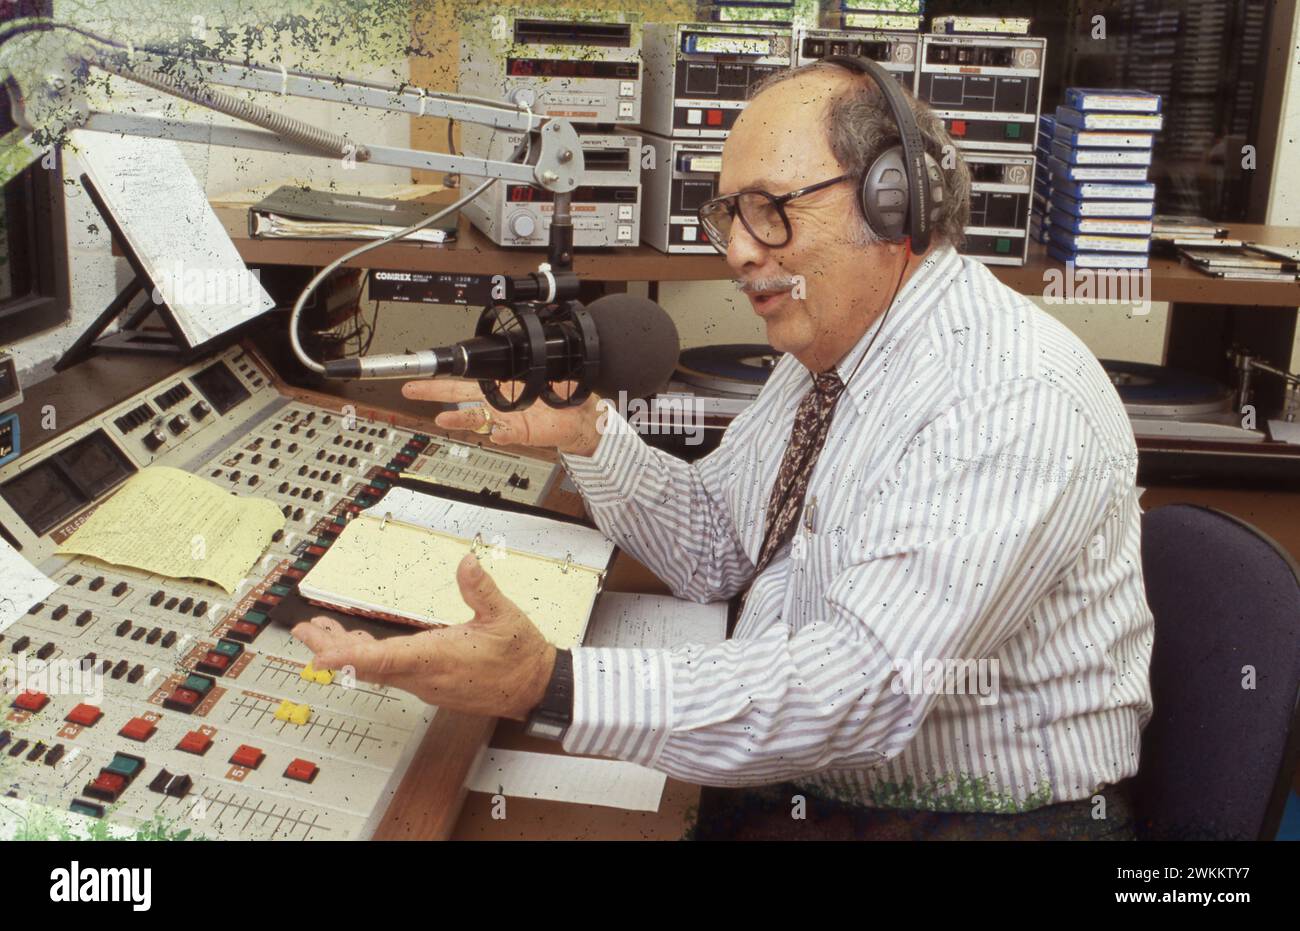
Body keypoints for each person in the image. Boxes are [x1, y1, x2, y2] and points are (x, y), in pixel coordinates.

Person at [293, 61, 1154, 840]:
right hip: (821, 782)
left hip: (984, 819)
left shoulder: (1010, 397)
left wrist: (550, 685)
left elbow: (857, 689)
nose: (739, 249)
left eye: (770, 209)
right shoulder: (832, 347)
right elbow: (716, 544)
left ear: (897, 202)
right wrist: (588, 433)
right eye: (728, 214)